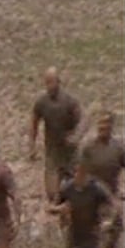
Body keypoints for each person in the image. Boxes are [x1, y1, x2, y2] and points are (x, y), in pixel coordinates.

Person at [78, 110, 125, 248]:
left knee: (110, 246)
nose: (103, 127)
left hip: (111, 203)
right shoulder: (89, 148)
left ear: (112, 126)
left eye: (106, 123)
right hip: (92, 203)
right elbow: (80, 174)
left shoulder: (118, 148)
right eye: (100, 123)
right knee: (92, 245)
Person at [30, 67, 84, 203]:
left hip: (70, 152)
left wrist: (75, 136)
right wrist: (32, 145)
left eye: (52, 82)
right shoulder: (42, 102)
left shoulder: (70, 101)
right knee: (52, 193)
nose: (49, 86)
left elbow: (82, 122)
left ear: (58, 81)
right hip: (52, 151)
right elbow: (34, 122)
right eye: (47, 83)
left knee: (76, 188)